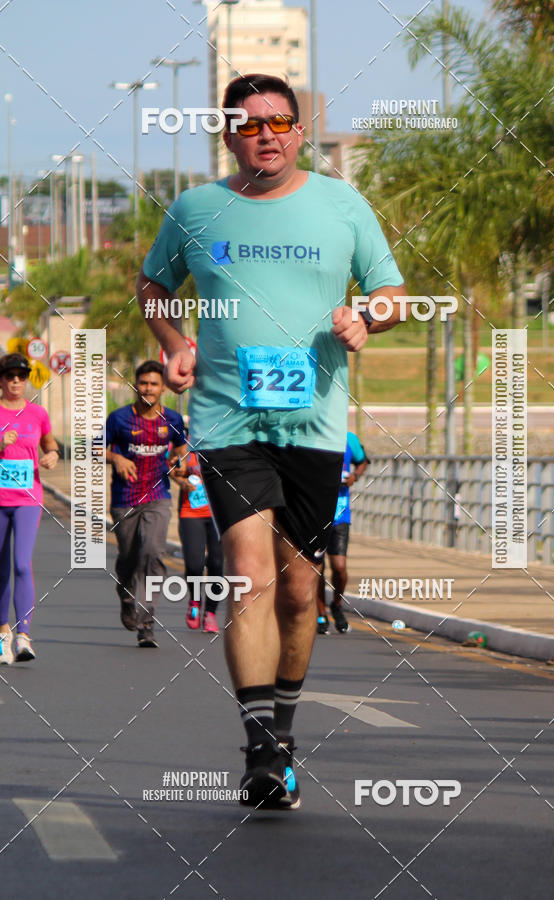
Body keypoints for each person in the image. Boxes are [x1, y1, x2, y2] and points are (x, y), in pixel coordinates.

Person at [137, 73, 408, 809]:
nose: (267, 134)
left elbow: (391, 291)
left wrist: (367, 319)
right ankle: (259, 750)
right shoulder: (196, 208)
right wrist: (173, 342)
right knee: (249, 573)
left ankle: (283, 731)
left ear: (298, 131)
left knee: (298, 588)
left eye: (280, 122)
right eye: (251, 124)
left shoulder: (341, 204)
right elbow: (153, 284)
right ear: (229, 135)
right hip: (228, 424)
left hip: (315, 426)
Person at [106, 360, 187, 648]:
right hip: (124, 498)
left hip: (158, 497)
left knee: (153, 553)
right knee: (129, 558)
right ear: (135, 386)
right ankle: (126, 597)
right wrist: (116, 458)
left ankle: (147, 624)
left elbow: (180, 449)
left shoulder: (173, 420)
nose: (148, 389)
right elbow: (95, 448)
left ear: (163, 388)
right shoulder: (119, 419)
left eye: (154, 384)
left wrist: (179, 463)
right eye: (143, 383)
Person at [0, 353, 59, 664]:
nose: (15, 381)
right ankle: (2, 633)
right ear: (1, 380)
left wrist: (52, 456)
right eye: (9, 375)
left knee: (22, 563)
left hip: (27, 499)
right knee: (0, 568)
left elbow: (50, 445)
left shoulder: (37, 413)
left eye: (21, 376)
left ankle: (24, 636)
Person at [317, 431, 369, 635]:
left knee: (339, 567)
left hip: (340, 513)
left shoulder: (350, 438)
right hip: (315, 514)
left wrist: (355, 476)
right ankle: (320, 612)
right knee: (316, 568)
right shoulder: (312, 434)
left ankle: (336, 605)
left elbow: (363, 461)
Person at [171, 451, 224, 634]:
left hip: (219, 515)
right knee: (195, 565)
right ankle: (195, 599)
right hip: (191, 513)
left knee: (217, 563)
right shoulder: (187, 447)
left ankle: (210, 613)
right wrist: (182, 481)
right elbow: (172, 468)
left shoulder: (225, 445)